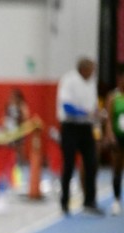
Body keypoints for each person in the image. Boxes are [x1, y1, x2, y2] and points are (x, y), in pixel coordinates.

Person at [56, 57, 102, 216]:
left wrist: (97, 117)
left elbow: (93, 106)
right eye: (91, 70)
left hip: (86, 128)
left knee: (91, 163)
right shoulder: (69, 81)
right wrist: (86, 112)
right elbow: (67, 107)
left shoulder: (91, 83)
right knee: (68, 165)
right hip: (70, 127)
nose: (93, 73)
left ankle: (90, 200)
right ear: (83, 69)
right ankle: (64, 202)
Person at [104, 66, 124, 215]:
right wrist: (110, 135)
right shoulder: (113, 97)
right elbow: (109, 120)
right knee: (117, 168)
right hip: (118, 137)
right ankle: (116, 200)